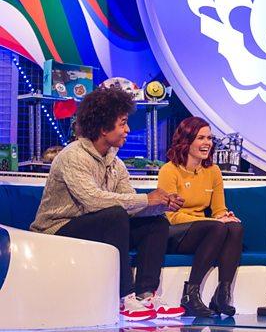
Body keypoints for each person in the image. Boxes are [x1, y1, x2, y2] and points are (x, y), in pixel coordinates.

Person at [30, 88, 185, 321]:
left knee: (157, 224)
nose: (128, 130)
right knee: (114, 215)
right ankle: (124, 296)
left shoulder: (116, 163)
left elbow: (129, 204)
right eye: (123, 123)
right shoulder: (73, 156)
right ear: (103, 129)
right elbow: (93, 201)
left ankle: (145, 295)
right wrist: (146, 198)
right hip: (57, 230)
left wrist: (160, 205)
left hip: (97, 226)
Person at [157, 117, 243, 317]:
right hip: (176, 233)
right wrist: (214, 221)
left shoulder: (213, 171)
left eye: (210, 138)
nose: (207, 143)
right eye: (201, 138)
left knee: (235, 227)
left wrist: (224, 216)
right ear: (186, 141)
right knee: (217, 227)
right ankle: (190, 295)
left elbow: (219, 209)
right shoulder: (169, 171)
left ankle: (222, 295)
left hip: (205, 231)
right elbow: (171, 216)